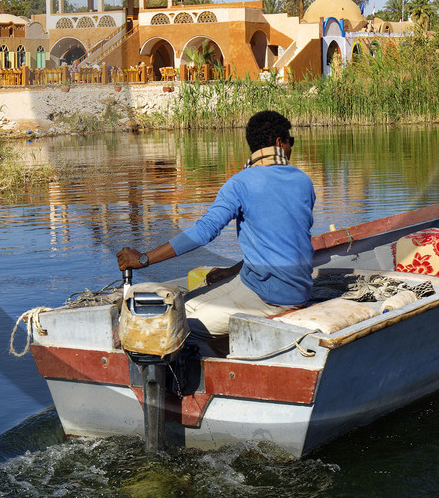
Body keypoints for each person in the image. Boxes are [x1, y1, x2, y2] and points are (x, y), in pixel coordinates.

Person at [115, 109, 315, 336]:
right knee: (187, 302)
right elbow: (283, 241)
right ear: (280, 143)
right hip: (297, 289)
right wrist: (232, 270)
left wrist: (143, 259)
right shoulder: (303, 181)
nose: (291, 149)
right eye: (292, 142)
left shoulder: (240, 183)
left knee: (171, 322)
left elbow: (204, 232)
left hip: (269, 297)